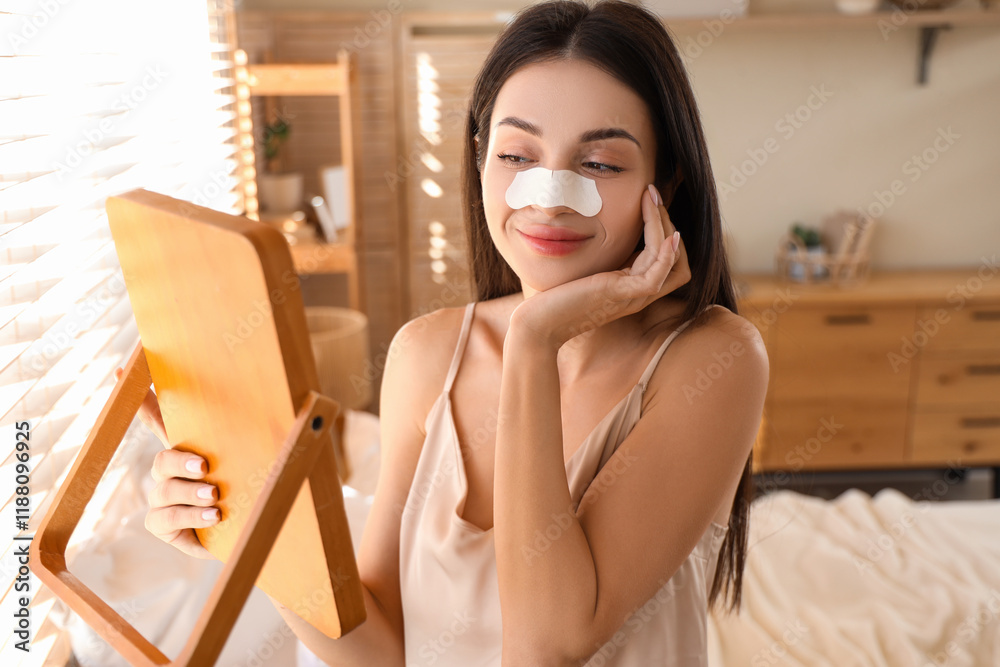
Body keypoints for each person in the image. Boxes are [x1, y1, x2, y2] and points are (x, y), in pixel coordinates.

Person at [120, 1, 768, 664]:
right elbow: (381, 649)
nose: (548, 196)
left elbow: (548, 643)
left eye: (599, 164)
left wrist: (533, 340)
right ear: (482, 160)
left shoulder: (716, 358)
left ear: (666, 183)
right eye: (518, 153)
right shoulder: (425, 354)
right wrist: (254, 522)